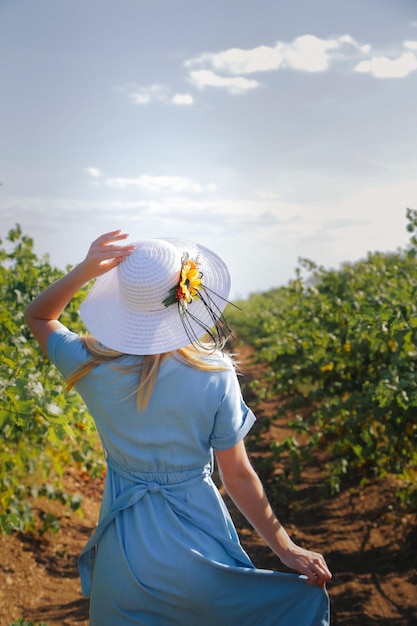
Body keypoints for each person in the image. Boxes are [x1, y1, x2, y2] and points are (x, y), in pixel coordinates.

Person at [25, 230, 331, 626]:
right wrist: (287, 549)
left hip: (125, 558)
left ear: (123, 305)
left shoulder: (89, 365)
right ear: (186, 297)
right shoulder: (216, 373)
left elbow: (39, 315)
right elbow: (237, 476)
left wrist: (84, 270)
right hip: (200, 552)